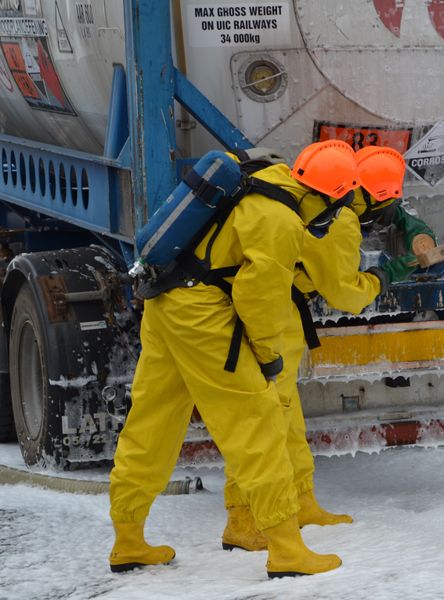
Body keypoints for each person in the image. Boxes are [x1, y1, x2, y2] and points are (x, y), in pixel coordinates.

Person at [108, 140, 360, 579]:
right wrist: (266, 356)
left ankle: (128, 539)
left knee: (152, 421)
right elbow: (257, 297)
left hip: (164, 302)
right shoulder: (280, 221)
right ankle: (285, 548)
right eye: (335, 206)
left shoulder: (263, 180)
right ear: (326, 196)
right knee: (256, 423)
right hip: (202, 315)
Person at [220, 146, 437, 551]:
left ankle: (302, 502)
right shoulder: (343, 222)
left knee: (288, 418)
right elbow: (345, 294)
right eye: (389, 201)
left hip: (278, 309)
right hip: (273, 311)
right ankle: (242, 519)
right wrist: (384, 275)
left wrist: (406, 223)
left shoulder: (320, 194)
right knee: (266, 419)